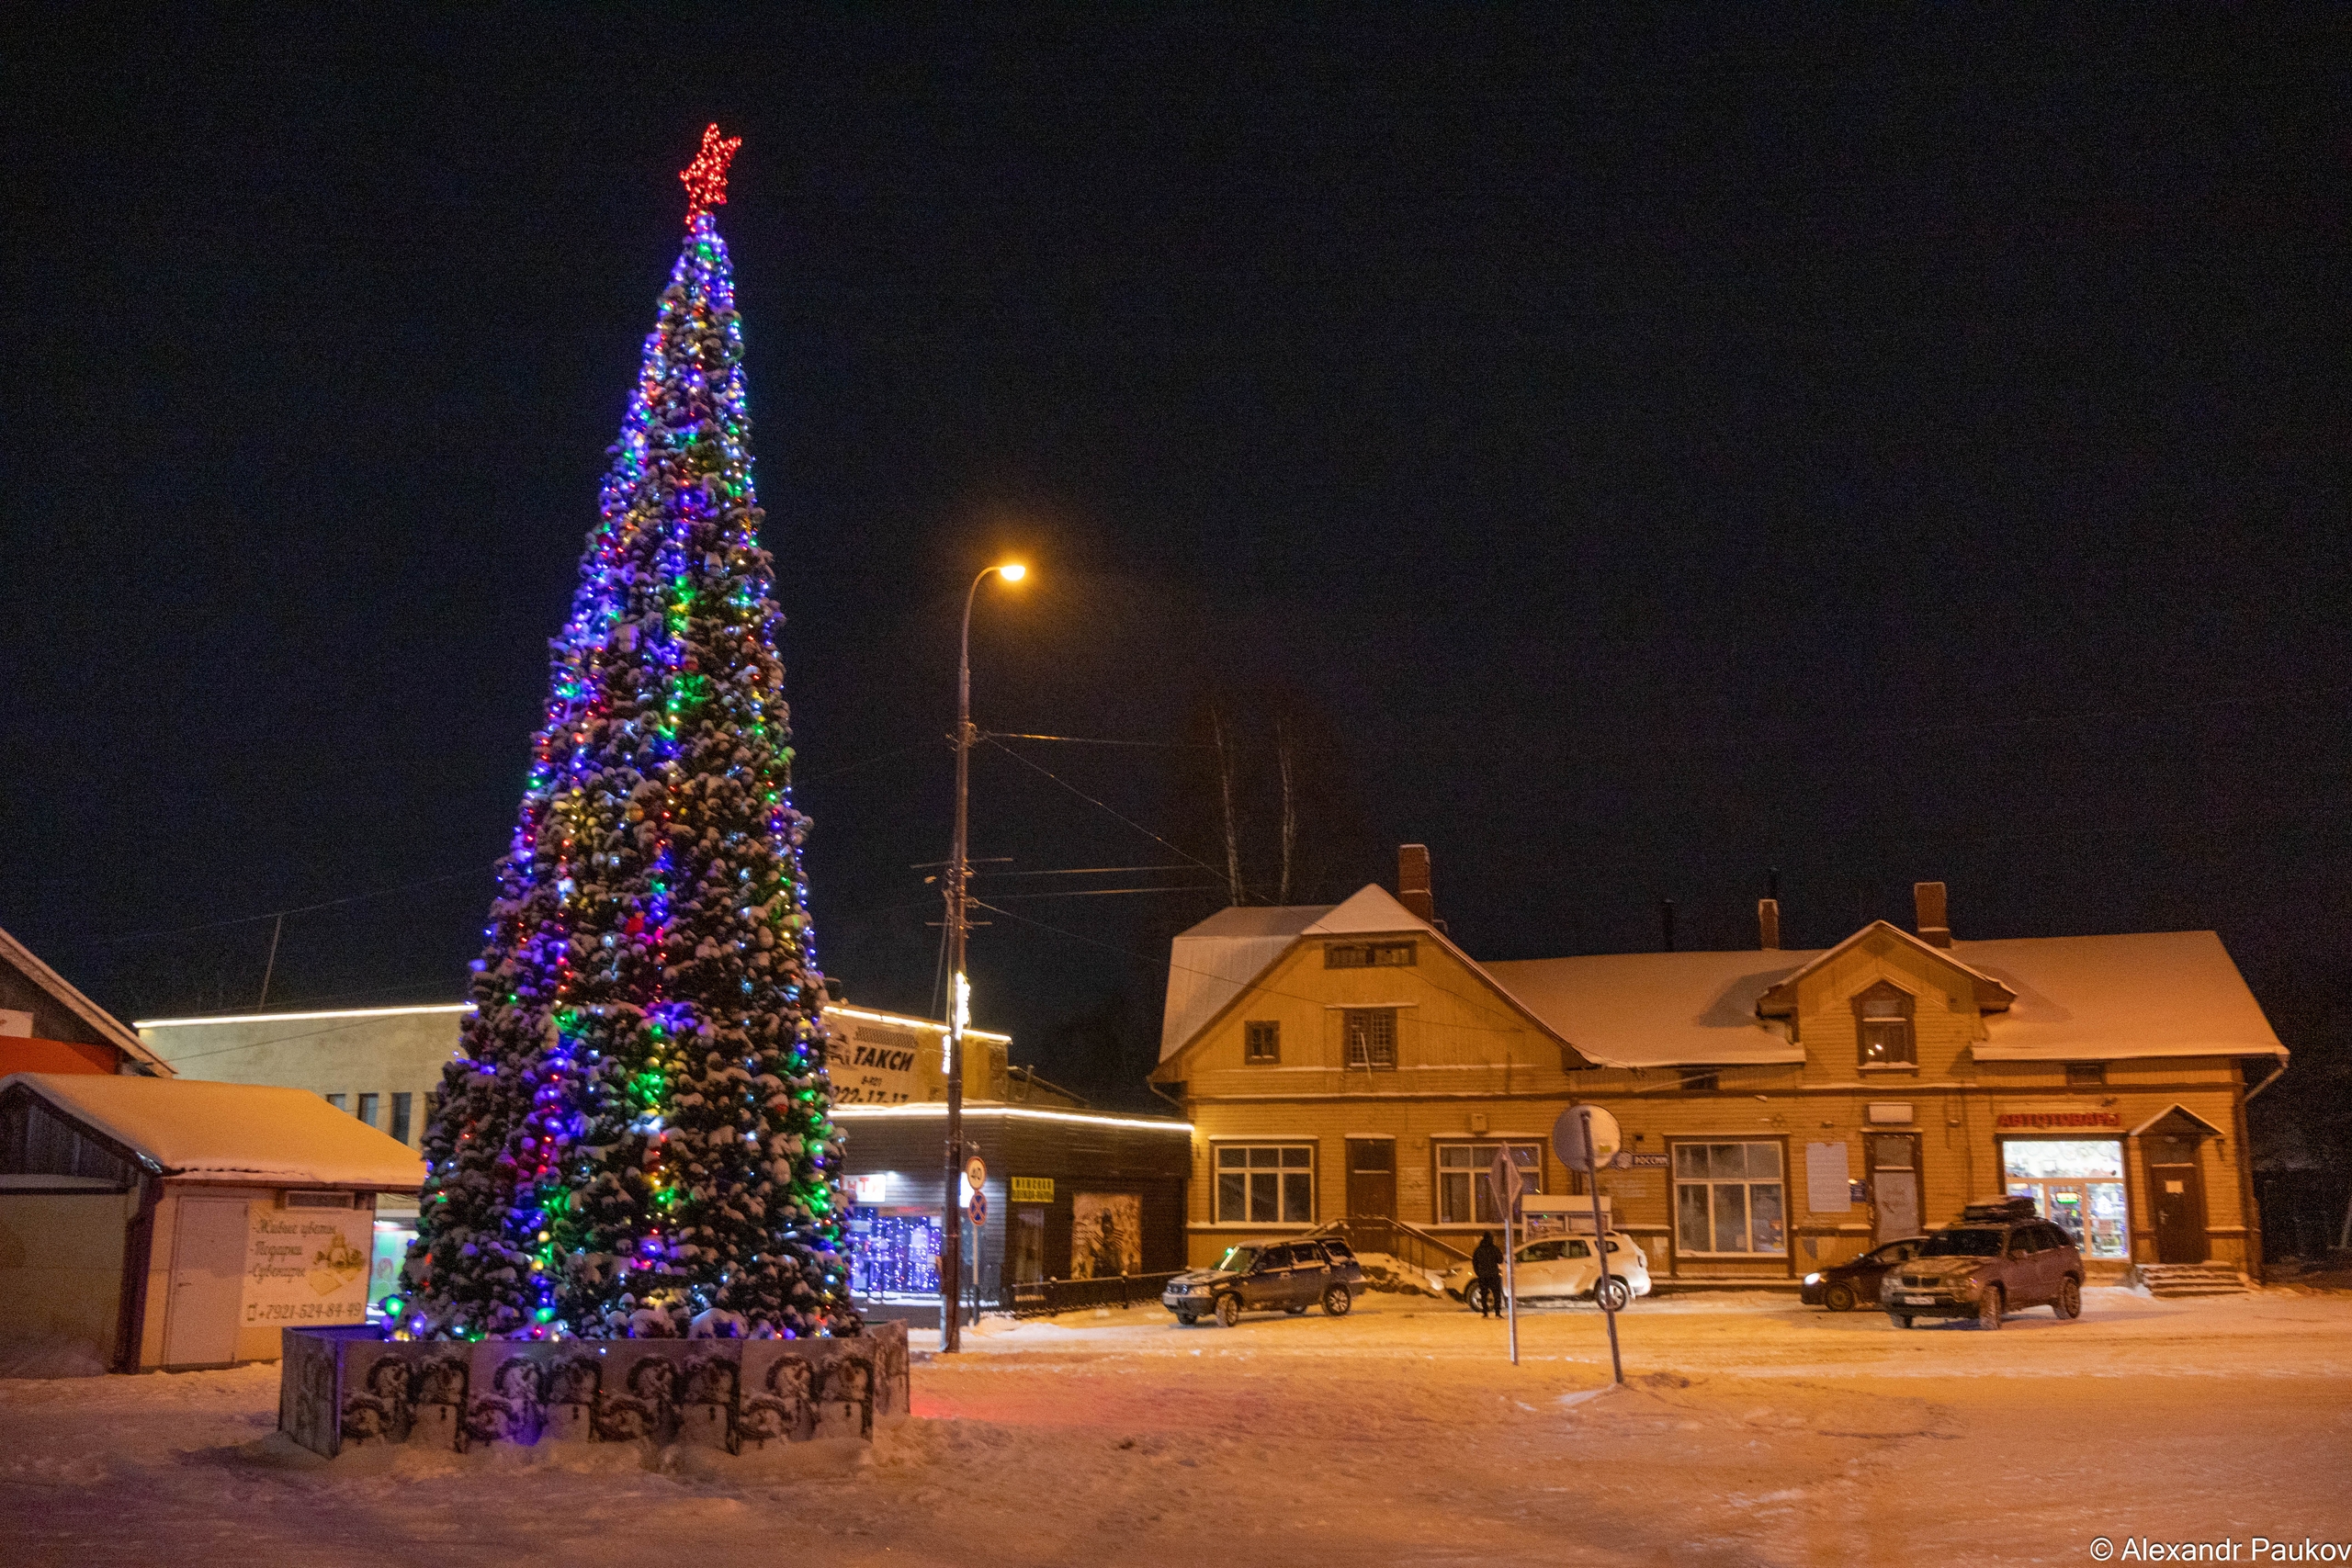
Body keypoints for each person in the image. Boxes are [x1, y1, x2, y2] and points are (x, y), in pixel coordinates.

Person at [1471, 1231, 1504, 1317]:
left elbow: (1475, 1262)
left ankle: (1485, 1312)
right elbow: (1500, 1260)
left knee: (1484, 1294)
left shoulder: (1478, 1250)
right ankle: (1497, 1313)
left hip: (1483, 1275)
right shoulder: (1494, 1248)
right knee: (1496, 1294)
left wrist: (1478, 1272)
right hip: (1493, 1275)